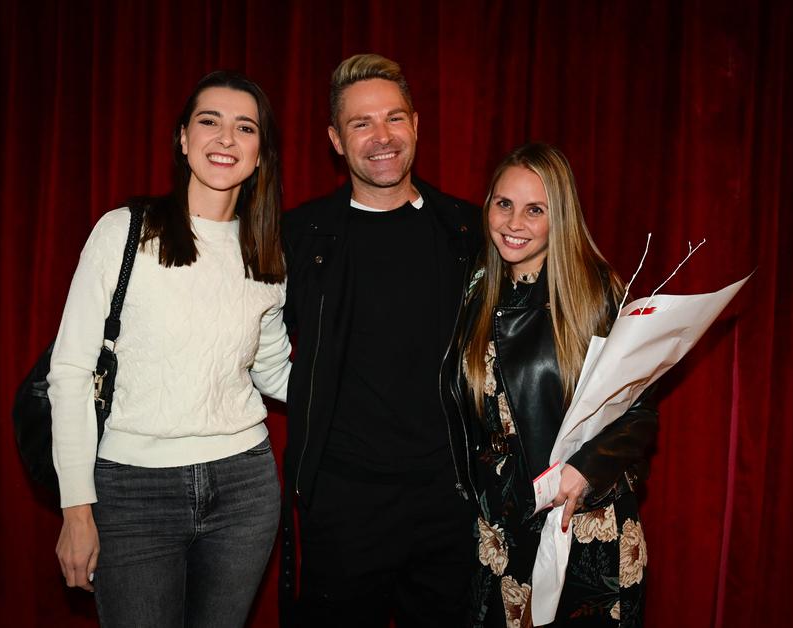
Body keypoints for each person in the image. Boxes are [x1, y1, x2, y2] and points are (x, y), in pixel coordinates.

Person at [49, 71, 290, 627]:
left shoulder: (267, 250)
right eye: (210, 121)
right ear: (183, 138)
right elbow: (70, 372)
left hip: (245, 488)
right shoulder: (124, 232)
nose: (226, 138)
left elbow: (274, 370)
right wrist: (77, 510)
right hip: (133, 490)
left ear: (260, 153)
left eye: (245, 127)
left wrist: (368, 390)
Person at [279, 53, 482, 627]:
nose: (382, 137)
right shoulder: (300, 236)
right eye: (361, 123)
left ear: (416, 124)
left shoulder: (468, 232)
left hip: (450, 501)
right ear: (335, 140)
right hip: (344, 504)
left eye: (394, 118)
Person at [450, 143, 658, 626]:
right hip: (499, 533)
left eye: (535, 210)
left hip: (583, 526)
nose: (514, 222)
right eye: (504, 203)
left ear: (559, 216)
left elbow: (641, 411)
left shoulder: (596, 291)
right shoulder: (475, 288)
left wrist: (588, 469)